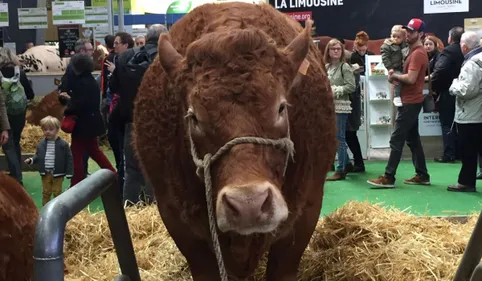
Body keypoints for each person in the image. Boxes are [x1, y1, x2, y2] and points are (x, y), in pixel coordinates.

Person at [367, 18, 430, 188]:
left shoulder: (417, 53)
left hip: (410, 101)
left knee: (396, 139)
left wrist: (394, 76)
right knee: (412, 139)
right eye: (407, 30)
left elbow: (410, 78)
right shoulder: (412, 50)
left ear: (421, 34)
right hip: (410, 100)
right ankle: (422, 174)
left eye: (411, 31)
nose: (407, 34)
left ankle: (389, 177)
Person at [110, 24, 167, 204]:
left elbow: (114, 87)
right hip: (158, 122)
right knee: (156, 169)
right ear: (163, 39)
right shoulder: (164, 58)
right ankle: (154, 210)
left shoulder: (126, 56)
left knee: (132, 170)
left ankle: (129, 209)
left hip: (130, 119)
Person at [59, 53, 116, 187]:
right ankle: (113, 175)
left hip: (82, 124)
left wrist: (68, 101)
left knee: (76, 155)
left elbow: (80, 104)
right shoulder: (90, 81)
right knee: (94, 151)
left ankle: (76, 185)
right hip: (92, 123)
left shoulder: (81, 83)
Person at [446, 31, 482, 192]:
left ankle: (466, 182)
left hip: (470, 114)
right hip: (478, 113)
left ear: (464, 46)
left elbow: (467, 90)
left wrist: (454, 85)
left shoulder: (471, 64)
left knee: (468, 151)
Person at [58, 39, 94, 177]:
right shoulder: (75, 68)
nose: (92, 52)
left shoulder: (78, 67)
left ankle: (80, 174)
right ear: (83, 51)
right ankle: (80, 174)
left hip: (81, 113)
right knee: (84, 148)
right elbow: (66, 89)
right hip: (80, 114)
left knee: (87, 148)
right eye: (90, 50)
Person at [104, 32, 134, 192]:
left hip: (125, 112)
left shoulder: (133, 61)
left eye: (117, 43)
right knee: (116, 143)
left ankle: (123, 183)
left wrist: (116, 72)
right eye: (114, 43)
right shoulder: (110, 59)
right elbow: (110, 86)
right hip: (115, 108)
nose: (113, 46)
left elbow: (123, 86)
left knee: (126, 150)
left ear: (126, 44)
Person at [0, 47, 35, 185]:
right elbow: (30, 94)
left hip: (4, 114)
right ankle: (16, 169)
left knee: (7, 145)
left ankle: (17, 177)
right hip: (19, 113)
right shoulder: (19, 72)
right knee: (15, 142)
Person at [431, 27, 465, 163]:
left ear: (450, 38)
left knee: (447, 124)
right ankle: (459, 153)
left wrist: (435, 88)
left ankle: (449, 154)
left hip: (448, 92)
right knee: (462, 124)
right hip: (466, 93)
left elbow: (440, 71)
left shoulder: (448, 51)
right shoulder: (467, 51)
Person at [324, 39, 356, 181]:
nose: (336, 51)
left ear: (342, 51)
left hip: (341, 105)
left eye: (338, 48)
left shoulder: (345, 67)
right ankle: (347, 163)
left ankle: (341, 169)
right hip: (330, 107)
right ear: (328, 52)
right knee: (335, 138)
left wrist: (335, 90)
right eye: (333, 49)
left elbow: (351, 86)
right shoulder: (327, 67)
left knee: (339, 139)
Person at [25, 116, 73, 205]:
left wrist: (69, 172)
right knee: (46, 192)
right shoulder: (41, 144)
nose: (47, 131)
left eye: (51, 129)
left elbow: (69, 158)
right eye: (45, 129)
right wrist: (31, 160)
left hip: (58, 173)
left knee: (57, 192)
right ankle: (45, 210)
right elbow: (38, 155)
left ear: (57, 130)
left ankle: (57, 208)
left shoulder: (63, 144)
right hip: (45, 173)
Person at [346, 31, 374, 173]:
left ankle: (356, 162)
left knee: (349, 133)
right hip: (354, 98)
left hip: (356, 99)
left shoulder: (371, 56)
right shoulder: (352, 57)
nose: (362, 51)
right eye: (360, 49)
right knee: (349, 134)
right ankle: (353, 162)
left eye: (364, 49)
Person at [381, 25, 409, 107]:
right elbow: (385, 58)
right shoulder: (387, 46)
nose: (395, 38)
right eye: (393, 36)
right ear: (390, 35)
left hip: (403, 67)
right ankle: (397, 96)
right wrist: (389, 68)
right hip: (394, 68)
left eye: (398, 37)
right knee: (398, 79)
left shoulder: (404, 44)